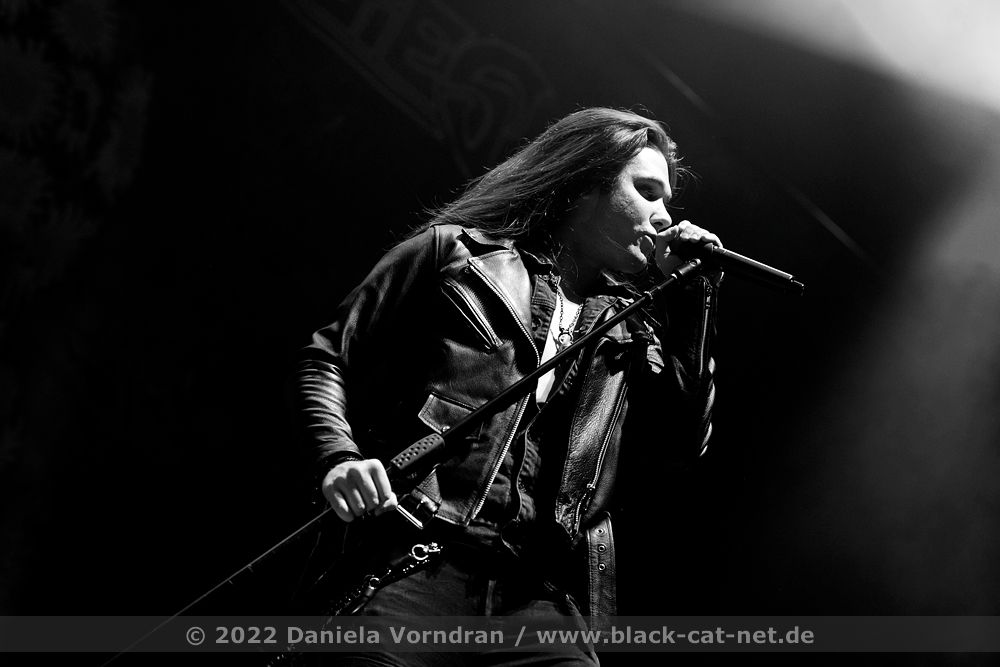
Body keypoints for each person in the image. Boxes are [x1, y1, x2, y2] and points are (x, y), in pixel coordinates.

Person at [294, 107, 722, 665]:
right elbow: (327, 356)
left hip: (538, 597)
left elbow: (682, 442)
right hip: (417, 557)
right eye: (647, 191)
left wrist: (692, 302)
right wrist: (339, 458)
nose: (664, 216)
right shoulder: (455, 255)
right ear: (583, 184)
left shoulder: (631, 329)